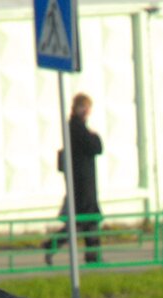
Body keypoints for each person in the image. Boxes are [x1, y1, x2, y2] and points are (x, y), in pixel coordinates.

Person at [44, 92, 103, 265]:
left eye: (87, 107)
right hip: (81, 182)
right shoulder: (76, 127)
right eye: (82, 107)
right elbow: (95, 146)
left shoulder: (78, 127)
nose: (86, 111)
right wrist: (95, 136)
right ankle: (90, 256)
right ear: (76, 108)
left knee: (84, 221)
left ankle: (91, 255)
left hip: (83, 181)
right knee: (84, 220)